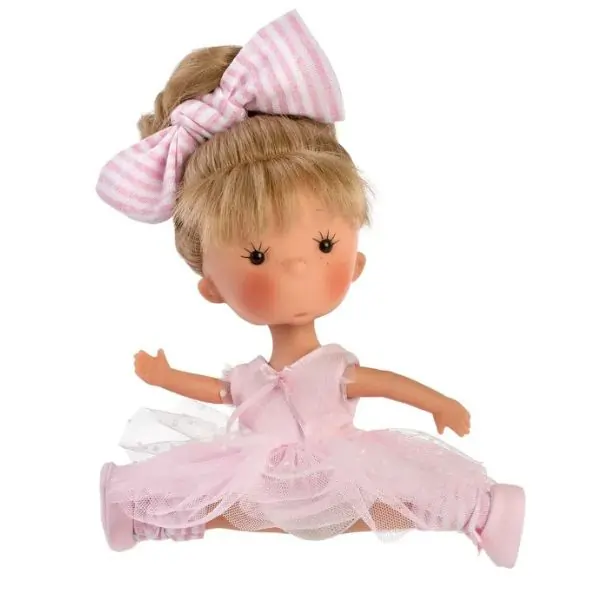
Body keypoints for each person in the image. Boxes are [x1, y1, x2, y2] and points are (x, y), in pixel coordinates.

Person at [96, 9, 525, 568]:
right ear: (212, 288)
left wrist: (436, 404)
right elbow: (220, 392)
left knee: (377, 501)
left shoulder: (331, 368)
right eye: (257, 257)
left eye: (324, 245)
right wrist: (166, 376)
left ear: (356, 260)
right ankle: (140, 514)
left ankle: (482, 511)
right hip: (258, 468)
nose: (297, 268)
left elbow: (383, 384)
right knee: (243, 507)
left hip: (338, 463)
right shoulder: (252, 377)